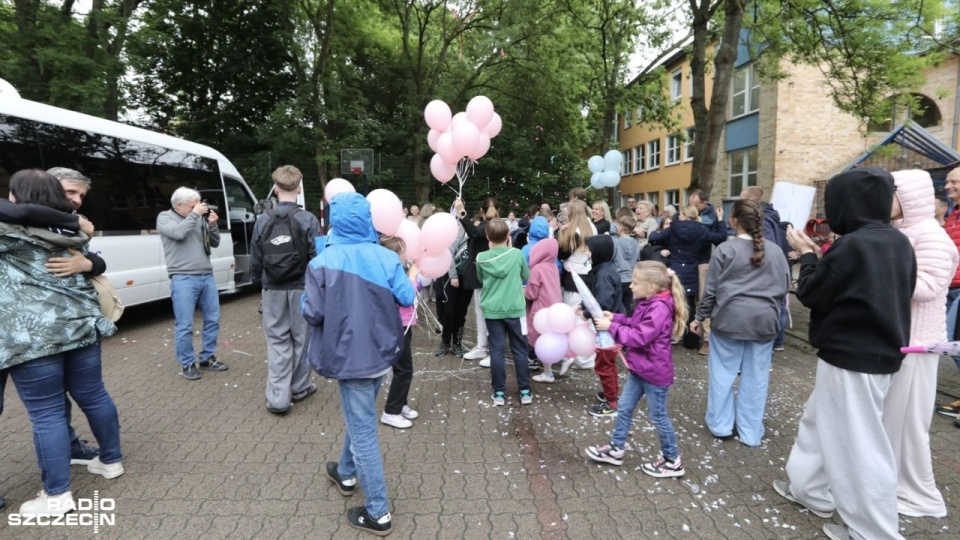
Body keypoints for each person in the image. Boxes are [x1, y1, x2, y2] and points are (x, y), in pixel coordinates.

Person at [773, 167, 916, 540]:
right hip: (875, 354)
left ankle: (874, 530)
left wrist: (807, 255)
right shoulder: (896, 242)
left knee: (859, 443)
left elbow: (812, 292)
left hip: (852, 356)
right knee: (820, 424)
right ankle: (811, 490)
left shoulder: (853, 245)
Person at [1, 169, 124, 516]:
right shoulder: (73, 229)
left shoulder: (8, 232)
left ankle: (56, 497)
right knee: (94, 394)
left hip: (33, 338)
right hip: (80, 328)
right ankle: (110, 461)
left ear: (15, 197)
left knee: (46, 413)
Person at [304, 192, 416, 536]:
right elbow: (408, 297)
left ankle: (378, 511)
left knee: (363, 427)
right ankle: (346, 472)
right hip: (381, 351)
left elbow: (313, 312)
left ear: (334, 221)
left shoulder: (320, 262)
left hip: (346, 355)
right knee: (361, 416)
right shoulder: (385, 257)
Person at [0, 168, 102, 467]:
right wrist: (72, 220)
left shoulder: (65, 230)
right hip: (17, 328)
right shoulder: (14, 224)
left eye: (81, 195)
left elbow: (96, 258)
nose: (77, 200)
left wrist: (89, 263)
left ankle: (70, 448)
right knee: (49, 407)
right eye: (70, 192)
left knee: (53, 403)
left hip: (23, 331)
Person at [883, 169, 957, 518]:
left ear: (908, 197)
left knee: (911, 425)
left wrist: (876, 271)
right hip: (898, 341)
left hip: (919, 347)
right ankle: (891, 485)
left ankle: (920, 495)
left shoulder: (933, 236)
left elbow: (926, 288)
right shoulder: (900, 231)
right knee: (891, 423)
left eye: (891, 194)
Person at [691, 200, 790, 447]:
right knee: (757, 378)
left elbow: (711, 291)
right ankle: (750, 431)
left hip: (729, 320)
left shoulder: (725, 250)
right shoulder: (776, 251)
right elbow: (783, 289)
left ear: (733, 221)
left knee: (723, 374)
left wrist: (699, 317)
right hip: (764, 323)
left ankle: (721, 425)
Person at [585, 261, 687, 477]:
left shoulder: (659, 307)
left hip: (654, 373)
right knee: (623, 407)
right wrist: (616, 318)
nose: (630, 286)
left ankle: (672, 461)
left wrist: (611, 327)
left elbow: (640, 336)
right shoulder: (648, 302)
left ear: (651, 287)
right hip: (639, 369)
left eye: (635, 282)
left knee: (658, 416)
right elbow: (635, 323)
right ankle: (616, 448)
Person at [249, 165, 319, 414]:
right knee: (302, 339)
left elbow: (255, 259)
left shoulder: (262, 220)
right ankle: (300, 387)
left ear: (275, 188)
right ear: (299, 188)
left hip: (272, 288)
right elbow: (316, 258)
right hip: (302, 287)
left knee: (278, 340)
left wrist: (260, 283)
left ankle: (278, 397)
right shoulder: (308, 219)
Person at [157, 186, 228, 380]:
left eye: (197, 205)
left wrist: (212, 225)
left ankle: (208, 357)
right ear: (178, 205)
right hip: (183, 277)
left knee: (212, 319)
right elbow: (179, 233)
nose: (198, 208)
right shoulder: (165, 217)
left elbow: (213, 243)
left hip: (207, 275)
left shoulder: (197, 218)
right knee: (185, 324)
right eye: (192, 205)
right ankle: (187, 363)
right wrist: (195, 216)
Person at [648, 204, 726, 349]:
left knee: (671, 303)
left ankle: (669, 336)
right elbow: (720, 238)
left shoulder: (673, 228)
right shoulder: (701, 229)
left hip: (675, 269)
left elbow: (653, 238)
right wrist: (720, 219)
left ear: (683, 215)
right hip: (691, 269)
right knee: (689, 305)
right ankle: (691, 341)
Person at [476, 219, 533, 406]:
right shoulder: (516, 254)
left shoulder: (482, 257)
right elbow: (526, 276)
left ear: (487, 236)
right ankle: (525, 391)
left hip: (493, 310)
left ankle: (499, 393)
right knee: (519, 350)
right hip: (515, 309)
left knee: (497, 351)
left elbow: (480, 278)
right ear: (508, 236)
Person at [539, 200, 596, 381]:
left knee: (574, 315)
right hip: (587, 274)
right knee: (585, 316)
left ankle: (578, 355)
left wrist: (560, 231)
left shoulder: (575, 232)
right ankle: (584, 355)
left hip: (574, 277)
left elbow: (562, 253)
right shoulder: (591, 227)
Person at [740, 186, 794, 352]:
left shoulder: (761, 220)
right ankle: (777, 342)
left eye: (742, 200)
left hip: (769, 269)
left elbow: (767, 246)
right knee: (779, 305)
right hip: (780, 267)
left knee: (772, 305)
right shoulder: (773, 216)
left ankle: (769, 342)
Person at [376, 235, 422, 429]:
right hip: (397, 326)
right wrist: (411, 279)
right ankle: (391, 411)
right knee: (404, 370)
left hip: (404, 324)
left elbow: (414, 290)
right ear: (393, 255)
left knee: (402, 368)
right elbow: (404, 297)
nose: (406, 254)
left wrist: (414, 279)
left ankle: (400, 402)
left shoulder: (397, 271)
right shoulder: (389, 274)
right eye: (402, 251)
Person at [583, 234, 627, 417]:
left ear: (598, 252)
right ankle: (612, 393)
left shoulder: (603, 274)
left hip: (608, 329)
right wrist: (582, 306)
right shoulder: (604, 269)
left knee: (604, 365)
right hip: (611, 325)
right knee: (609, 363)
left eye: (589, 249)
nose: (586, 252)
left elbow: (602, 303)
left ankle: (612, 403)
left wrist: (587, 313)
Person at [453, 197, 498, 363]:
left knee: (484, 313)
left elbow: (473, 232)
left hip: (484, 276)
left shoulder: (488, 227)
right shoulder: (498, 226)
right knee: (484, 312)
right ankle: (484, 347)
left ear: (481, 211)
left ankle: (487, 349)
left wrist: (461, 211)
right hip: (491, 276)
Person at [935, 167, 960, 422]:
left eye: (954, 182)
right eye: (947, 181)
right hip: (951, 287)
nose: (948, 186)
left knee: (954, 343)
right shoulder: (953, 216)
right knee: (952, 344)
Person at [688, 189, 723, 356]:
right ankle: (689, 335)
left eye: (695, 205)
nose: (692, 208)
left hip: (703, 261)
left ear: (704, 203)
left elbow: (719, 237)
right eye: (690, 205)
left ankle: (707, 340)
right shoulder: (687, 212)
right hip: (688, 261)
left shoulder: (713, 215)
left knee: (704, 299)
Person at [525, 237, 562, 372]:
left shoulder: (537, 269)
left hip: (540, 309)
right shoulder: (554, 267)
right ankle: (550, 359)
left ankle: (531, 359)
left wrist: (524, 291)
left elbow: (532, 294)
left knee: (533, 333)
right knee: (550, 334)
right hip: (554, 307)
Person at [435, 220, 470, 358]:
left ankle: (457, 343)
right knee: (449, 311)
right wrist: (453, 275)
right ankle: (445, 341)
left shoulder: (476, 236)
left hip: (468, 280)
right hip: (451, 278)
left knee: (461, 313)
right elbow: (449, 255)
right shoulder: (457, 234)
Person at [614, 215, 640, 315]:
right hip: (631, 280)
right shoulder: (636, 243)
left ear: (620, 228)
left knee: (617, 308)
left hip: (618, 279)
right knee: (629, 308)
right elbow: (637, 260)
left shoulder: (615, 242)